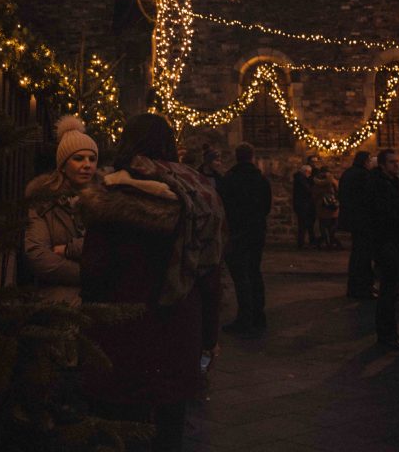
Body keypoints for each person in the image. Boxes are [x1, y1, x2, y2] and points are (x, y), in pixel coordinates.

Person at [79, 113, 224, 452]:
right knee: (169, 426)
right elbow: (210, 274)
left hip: (120, 328)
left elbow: (94, 271)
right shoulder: (199, 194)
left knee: (118, 427)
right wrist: (209, 336)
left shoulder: (110, 190)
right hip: (177, 324)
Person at [24, 114, 100, 304]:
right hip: (59, 296)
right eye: (79, 158)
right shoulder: (44, 201)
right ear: (63, 165)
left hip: (100, 294)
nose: (87, 165)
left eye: (92, 159)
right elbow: (38, 255)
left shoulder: (105, 200)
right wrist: (85, 274)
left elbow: (110, 246)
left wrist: (69, 249)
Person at [367, 148, 399, 349]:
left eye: (397, 162)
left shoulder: (393, 182)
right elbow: (386, 213)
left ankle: (391, 333)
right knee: (388, 289)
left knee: (392, 289)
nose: (396, 165)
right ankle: (386, 335)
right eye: (391, 162)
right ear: (382, 165)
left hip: (393, 240)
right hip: (385, 241)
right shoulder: (379, 185)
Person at [220, 142, 272, 337]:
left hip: (238, 232)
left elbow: (224, 206)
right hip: (257, 231)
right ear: (252, 157)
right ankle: (258, 315)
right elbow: (266, 207)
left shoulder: (230, 179)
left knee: (241, 276)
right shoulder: (261, 180)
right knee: (254, 272)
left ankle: (245, 318)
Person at [338, 151, 374, 297]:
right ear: (365, 161)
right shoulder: (363, 175)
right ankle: (362, 288)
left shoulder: (348, 173)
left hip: (352, 219)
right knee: (363, 255)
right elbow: (367, 198)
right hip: (362, 220)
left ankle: (354, 287)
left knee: (357, 253)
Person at [313, 167, 342, 249]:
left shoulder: (316, 181)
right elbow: (338, 190)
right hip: (332, 206)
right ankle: (332, 240)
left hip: (321, 206)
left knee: (322, 225)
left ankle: (326, 241)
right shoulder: (332, 181)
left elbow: (314, 194)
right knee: (333, 224)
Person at [292, 163, 316, 249]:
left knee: (304, 224)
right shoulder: (301, 180)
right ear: (306, 172)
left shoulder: (299, 178)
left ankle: (303, 242)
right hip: (303, 205)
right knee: (302, 225)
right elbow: (307, 190)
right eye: (309, 173)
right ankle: (301, 243)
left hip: (302, 205)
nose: (309, 175)